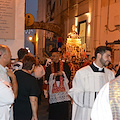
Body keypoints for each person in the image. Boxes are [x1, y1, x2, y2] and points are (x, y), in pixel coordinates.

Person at [68, 46, 115, 120]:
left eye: (110, 56)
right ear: (99, 55)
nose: (110, 59)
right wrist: (96, 96)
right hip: (87, 113)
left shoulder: (110, 74)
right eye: (108, 56)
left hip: (103, 113)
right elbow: (76, 93)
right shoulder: (82, 73)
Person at [45, 48, 71, 120]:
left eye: (54, 56)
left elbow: (68, 76)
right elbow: (47, 78)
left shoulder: (65, 65)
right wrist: (53, 75)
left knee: (63, 110)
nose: (52, 58)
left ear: (58, 56)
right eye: (52, 56)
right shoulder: (49, 67)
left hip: (63, 89)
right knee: (54, 110)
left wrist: (62, 74)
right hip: (53, 89)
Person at [13, 55, 39, 120]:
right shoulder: (32, 80)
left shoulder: (16, 74)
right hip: (26, 109)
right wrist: (35, 115)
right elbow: (33, 100)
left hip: (15, 108)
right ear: (33, 66)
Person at [0, 44, 18, 120]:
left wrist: (13, 78)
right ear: (4, 56)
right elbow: (13, 96)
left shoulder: (6, 70)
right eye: (10, 54)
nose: (11, 57)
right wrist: (13, 79)